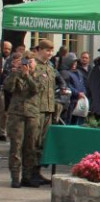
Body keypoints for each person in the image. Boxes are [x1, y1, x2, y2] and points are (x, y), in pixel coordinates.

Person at [6, 55, 39, 187]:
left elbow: (36, 89)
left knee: (30, 147)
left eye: (31, 62)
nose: (28, 65)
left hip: (32, 115)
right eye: (26, 62)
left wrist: (27, 76)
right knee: (16, 146)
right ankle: (15, 177)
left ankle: (27, 176)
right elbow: (8, 88)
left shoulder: (39, 75)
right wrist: (15, 73)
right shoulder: (16, 74)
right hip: (16, 114)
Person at [31, 39, 59, 185]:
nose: (49, 53)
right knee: (33, 142)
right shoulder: (34, 65)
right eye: (47, 50)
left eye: (51, 50)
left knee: (43, 142)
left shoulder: (50, 67)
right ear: (40, 50)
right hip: (36, 109)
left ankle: (38, 171)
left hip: (48, 108)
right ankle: (30, 172)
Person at [60, 53, 88, 125]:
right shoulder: (65, 73)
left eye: (75, 62)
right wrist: (77, 93)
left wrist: (83, 92)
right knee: (69, 121)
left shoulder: (78, 72)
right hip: (70, 102)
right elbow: (67, 85)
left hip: (79, 101)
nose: (74, 64)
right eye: (73, 62)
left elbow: (82, 84)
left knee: (78, 122)